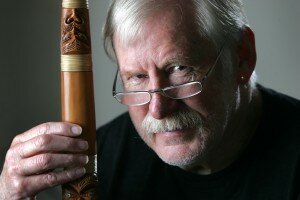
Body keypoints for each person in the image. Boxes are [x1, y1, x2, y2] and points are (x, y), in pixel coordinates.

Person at [0, 0, 299, 199]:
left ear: (243, 57)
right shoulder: (98, 161)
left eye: (180, 69)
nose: (157, 109)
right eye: (137, 77)